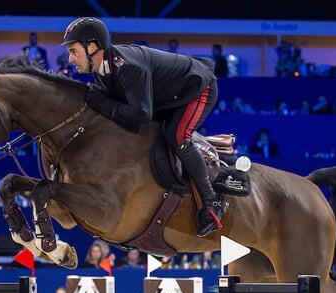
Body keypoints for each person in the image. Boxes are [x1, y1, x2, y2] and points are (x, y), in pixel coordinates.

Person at [63, 17, 227, 237]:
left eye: (74, 51)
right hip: (168, 96)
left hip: (197, 89)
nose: (70, 58)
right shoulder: (101, 67)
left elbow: (140, 114)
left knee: (176, 136)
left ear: (92, 47)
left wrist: (101, 102)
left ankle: (211, 203)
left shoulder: (127, 68)